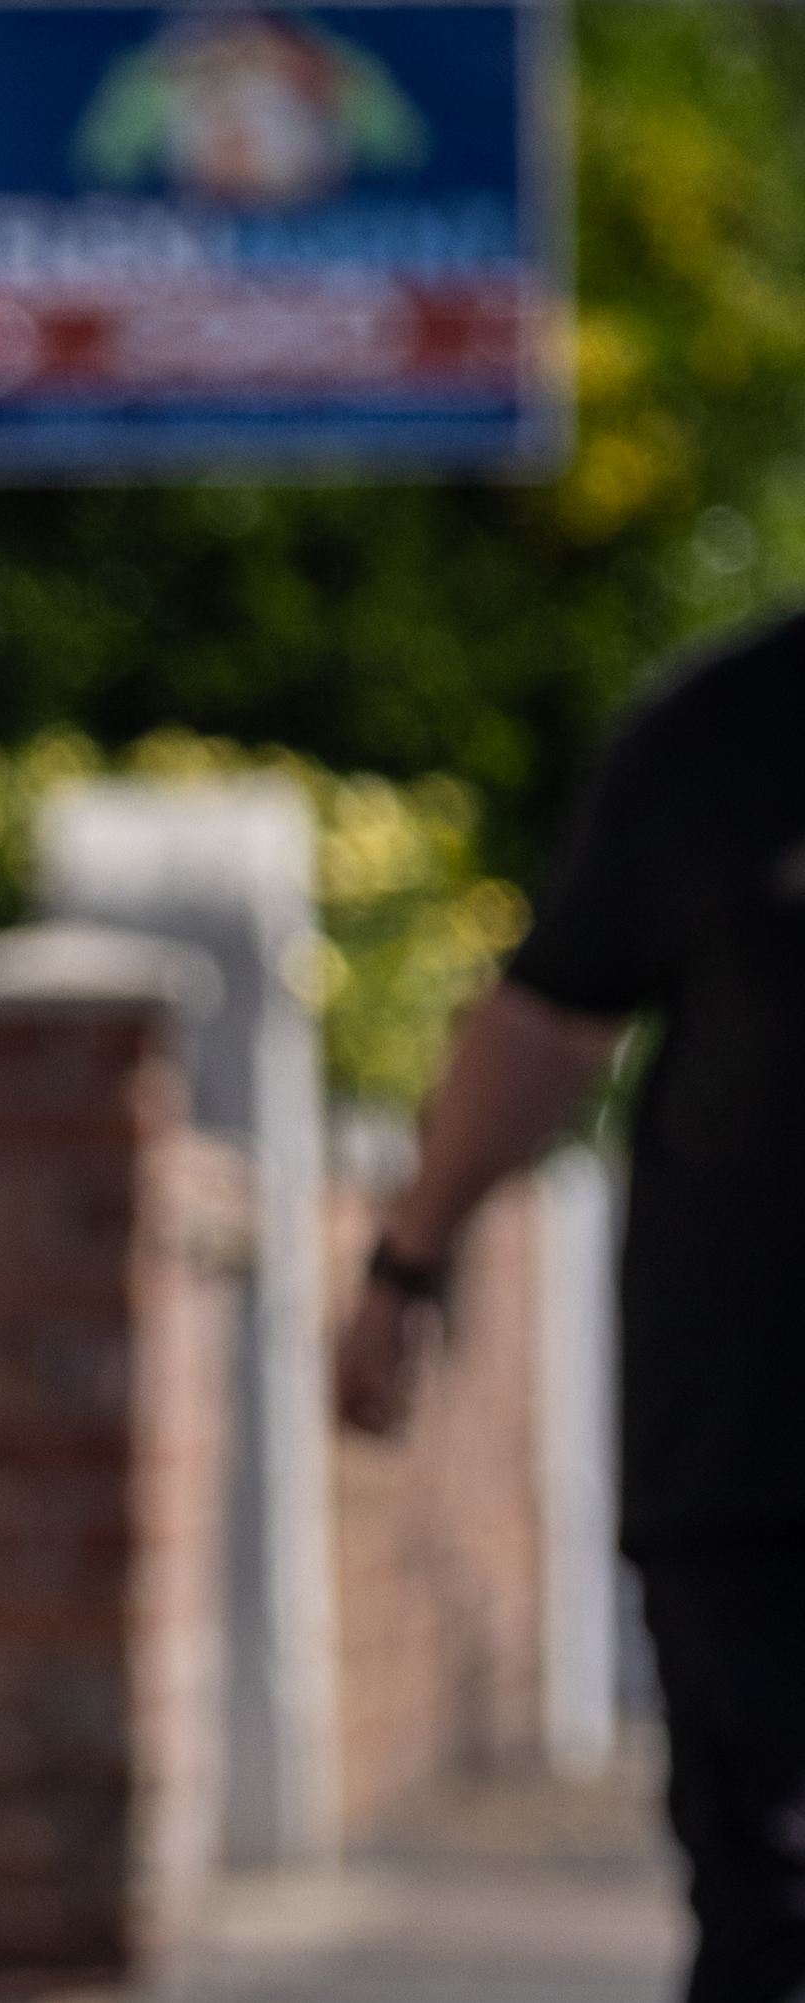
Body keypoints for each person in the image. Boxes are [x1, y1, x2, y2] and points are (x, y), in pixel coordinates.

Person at [335, 615, 804, 2003]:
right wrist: (407, 1262)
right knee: (778, 1925)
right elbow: (548, 1020)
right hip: (755, 1464)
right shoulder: (729, 728)